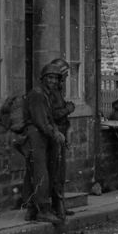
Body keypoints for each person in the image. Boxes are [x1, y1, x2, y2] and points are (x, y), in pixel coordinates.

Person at [16, 63, 66, 224]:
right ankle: (43, 210)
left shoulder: (46, 94)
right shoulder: (38, 94)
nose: (52, 81)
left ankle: (32, 210)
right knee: (40, 172)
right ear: (43, 79)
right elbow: (41, 121)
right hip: (36, 135)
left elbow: (48, 118)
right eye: (49, 77)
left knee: (36, 172)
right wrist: (56, 134)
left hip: (40, 136)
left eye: (55, 78)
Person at [46, 57, 75, 221]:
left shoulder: (58, 90)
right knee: (55, 172)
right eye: (61, 73)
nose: (63, 77)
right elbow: (54, 114)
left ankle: (60, 205)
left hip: (61, 133)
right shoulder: (50, 92)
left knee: (60, 172)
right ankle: (57, 206)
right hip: (54, 134)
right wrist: (68, 108)